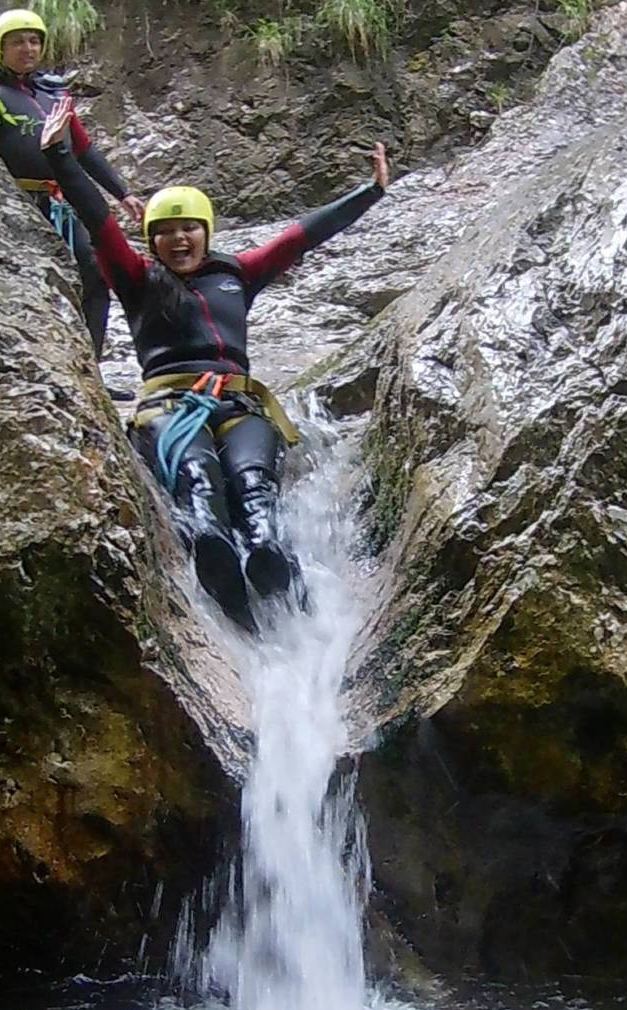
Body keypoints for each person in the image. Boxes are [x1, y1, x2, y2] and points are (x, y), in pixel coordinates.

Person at [36, 109, 390, 630]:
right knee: (199, 479)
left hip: (237, 402)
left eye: (188, 230)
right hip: (168, 407)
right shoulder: (136, 278)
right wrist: (60, 158)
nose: (178, 240)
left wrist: (371, 191)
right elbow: (99, 221)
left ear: (206, 233)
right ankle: (213, 549)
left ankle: (269, 557)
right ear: (152, 241)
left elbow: (301, 237)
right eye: (166, 233)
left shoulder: (236, 273)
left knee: (253, 484)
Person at [0, 8, 139, 362]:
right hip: (15, 203)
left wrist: (124, 193)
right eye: (17, 42)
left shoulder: (54, 95)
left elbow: (84, 150)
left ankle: (92, 369)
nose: (28, 49)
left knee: (95, 273)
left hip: (59, 202)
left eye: (33, 41)